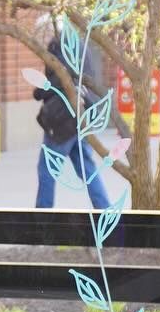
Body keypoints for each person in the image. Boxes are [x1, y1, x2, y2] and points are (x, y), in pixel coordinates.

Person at [34, 28, 113, 210]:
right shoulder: (81, 44)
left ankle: (41, 218)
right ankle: (104, 210)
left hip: (63, 120)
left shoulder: (59, 44)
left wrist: (39, 91)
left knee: (47, 169)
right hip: (82, 116)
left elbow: (63, 77)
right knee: (87, 169)